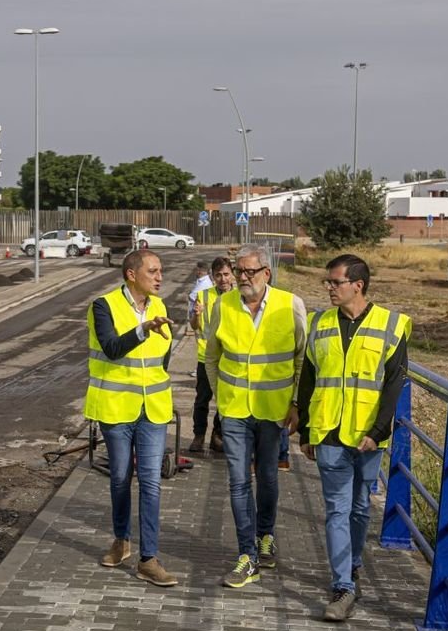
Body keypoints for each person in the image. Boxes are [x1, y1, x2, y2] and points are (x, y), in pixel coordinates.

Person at [295, 254, 411, 622]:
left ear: (357, 285)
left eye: (335, 282)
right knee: (337, 509)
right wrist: (306, 429)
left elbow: (394, 384)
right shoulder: (319, 323)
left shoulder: (392, 325)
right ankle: (343, 586)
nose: (329, 288)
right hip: (329, 431)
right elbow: (309, 377)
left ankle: (353, 562)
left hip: (367, 436)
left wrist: (379, 432)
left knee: (361, 506)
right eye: (328, 282)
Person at [204, 244, 306, 589]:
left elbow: (301, 359)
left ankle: (266, 535)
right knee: (237, 481)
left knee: (268, 477)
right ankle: (247, 555)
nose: (242, 277)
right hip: (234, 410)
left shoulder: (290, 304)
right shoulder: (222, 304)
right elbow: (211, 358)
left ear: (267, 273)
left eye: (249, 271)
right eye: (238, 270)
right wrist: (222, 397)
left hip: (274, 411)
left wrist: (295, 405)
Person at [85, 249, 178, 588]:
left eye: (161, 271)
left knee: (151, 482)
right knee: (121, 478)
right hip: (116, 408)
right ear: (131, 274)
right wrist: (143, 330)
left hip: (152, 408)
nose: (159, 277)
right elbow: (110, 347)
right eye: (153, 271)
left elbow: (162, 355)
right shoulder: (103, 306)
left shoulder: (160, 306)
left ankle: (148, 559)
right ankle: (122, 540)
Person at [187, 256, 233, 453]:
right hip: (206, 357)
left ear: (232, 275)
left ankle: (217, 435)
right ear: (212, 277)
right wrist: (196, 315)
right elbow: (194, 326)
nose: (222, 279)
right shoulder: (204, 296)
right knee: (202, 398)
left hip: (229, 358)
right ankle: (198, 435)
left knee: (224, 400)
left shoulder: (240, 297)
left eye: (226, 274)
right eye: (218, 275)